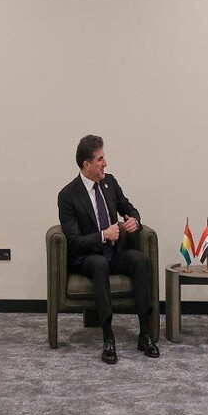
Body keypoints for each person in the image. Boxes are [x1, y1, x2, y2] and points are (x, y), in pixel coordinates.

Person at [58, 134, 158, 364]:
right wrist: (104, 235)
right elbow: (74, 241)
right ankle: (108, 338)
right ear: (87, 164)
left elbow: (129, 208)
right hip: (87, 258)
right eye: (100, 159)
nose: (105, 163)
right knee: (100, 263)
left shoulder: (109, 182)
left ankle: (145, 334)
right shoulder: (68, 195)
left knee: (141, 261)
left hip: (115, 252)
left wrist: (134, 221)